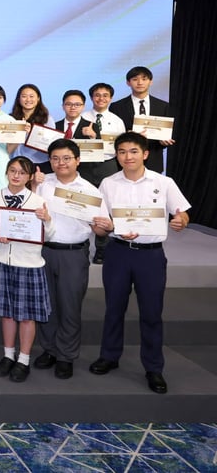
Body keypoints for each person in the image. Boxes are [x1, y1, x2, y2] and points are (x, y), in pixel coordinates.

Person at [89, 132, 190, 394]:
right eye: (122, 151)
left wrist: (181, 222)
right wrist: (106, 226)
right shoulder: (108, 183)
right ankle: (109, 356)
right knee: (114, 308)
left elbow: (182, 214)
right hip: (118, 252)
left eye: (133, 151)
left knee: (151, 313)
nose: (127, 157)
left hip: (151, 255)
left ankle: (154, 368)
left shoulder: (163, 182)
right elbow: (100, 226)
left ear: (145, 153)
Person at [31, 138, 107, 380]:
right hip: (44, 252)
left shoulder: (90, 191)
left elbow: (101, 230)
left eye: (66, 158)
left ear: (78, 161)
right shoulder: (43, 184)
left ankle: (66, 355)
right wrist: (33, 186)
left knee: (70, 306)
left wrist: (102, 228)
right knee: (47, 305)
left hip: (74, 254)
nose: (60, 163)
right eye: (55, 158)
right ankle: (50, 350)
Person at [0, 156, 53, 383]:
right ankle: (8, 355)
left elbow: (50, 236)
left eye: (22, 173)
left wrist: (47, 220)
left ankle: (23, 359)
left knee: (26, 316)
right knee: (7, 313)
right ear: (6, 172)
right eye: (12, 171)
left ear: (30, 176)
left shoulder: (38, 201)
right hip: (2, 261)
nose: (16, 176)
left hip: (29, 264)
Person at [83, 82, 126, 264]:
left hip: (107, 164)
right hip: (84, 165)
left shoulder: (117, 121)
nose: (101, 98)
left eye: (105, 95)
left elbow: (120, 146)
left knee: (105, 206)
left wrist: (96, 138)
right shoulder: (82, 117)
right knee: (81, 203)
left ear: (111, 98)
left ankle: (101, 248)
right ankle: (82, 246)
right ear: (92, 97)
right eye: (97, 95)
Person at [110, 66, 173, 173]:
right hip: (127, 159)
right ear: (128, 83)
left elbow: (170, 133)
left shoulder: (163, 106)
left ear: (150, 82)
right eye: (135, 79)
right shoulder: (117, 106)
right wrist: (127, 134)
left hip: (154, 158)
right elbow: (112, 134)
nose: (140, 83)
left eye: (144, 79)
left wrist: (164, 141)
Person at [8, 83, 51, 168]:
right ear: (18, 99)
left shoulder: (47, 119)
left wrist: (32, 133)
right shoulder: (10, 119)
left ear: (38, 98)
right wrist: (19, 133)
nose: (28, 99)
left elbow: (49, 145)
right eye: (24, 96)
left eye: (31, 96)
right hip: (16, 163)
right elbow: (8, 149)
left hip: (40, 164)